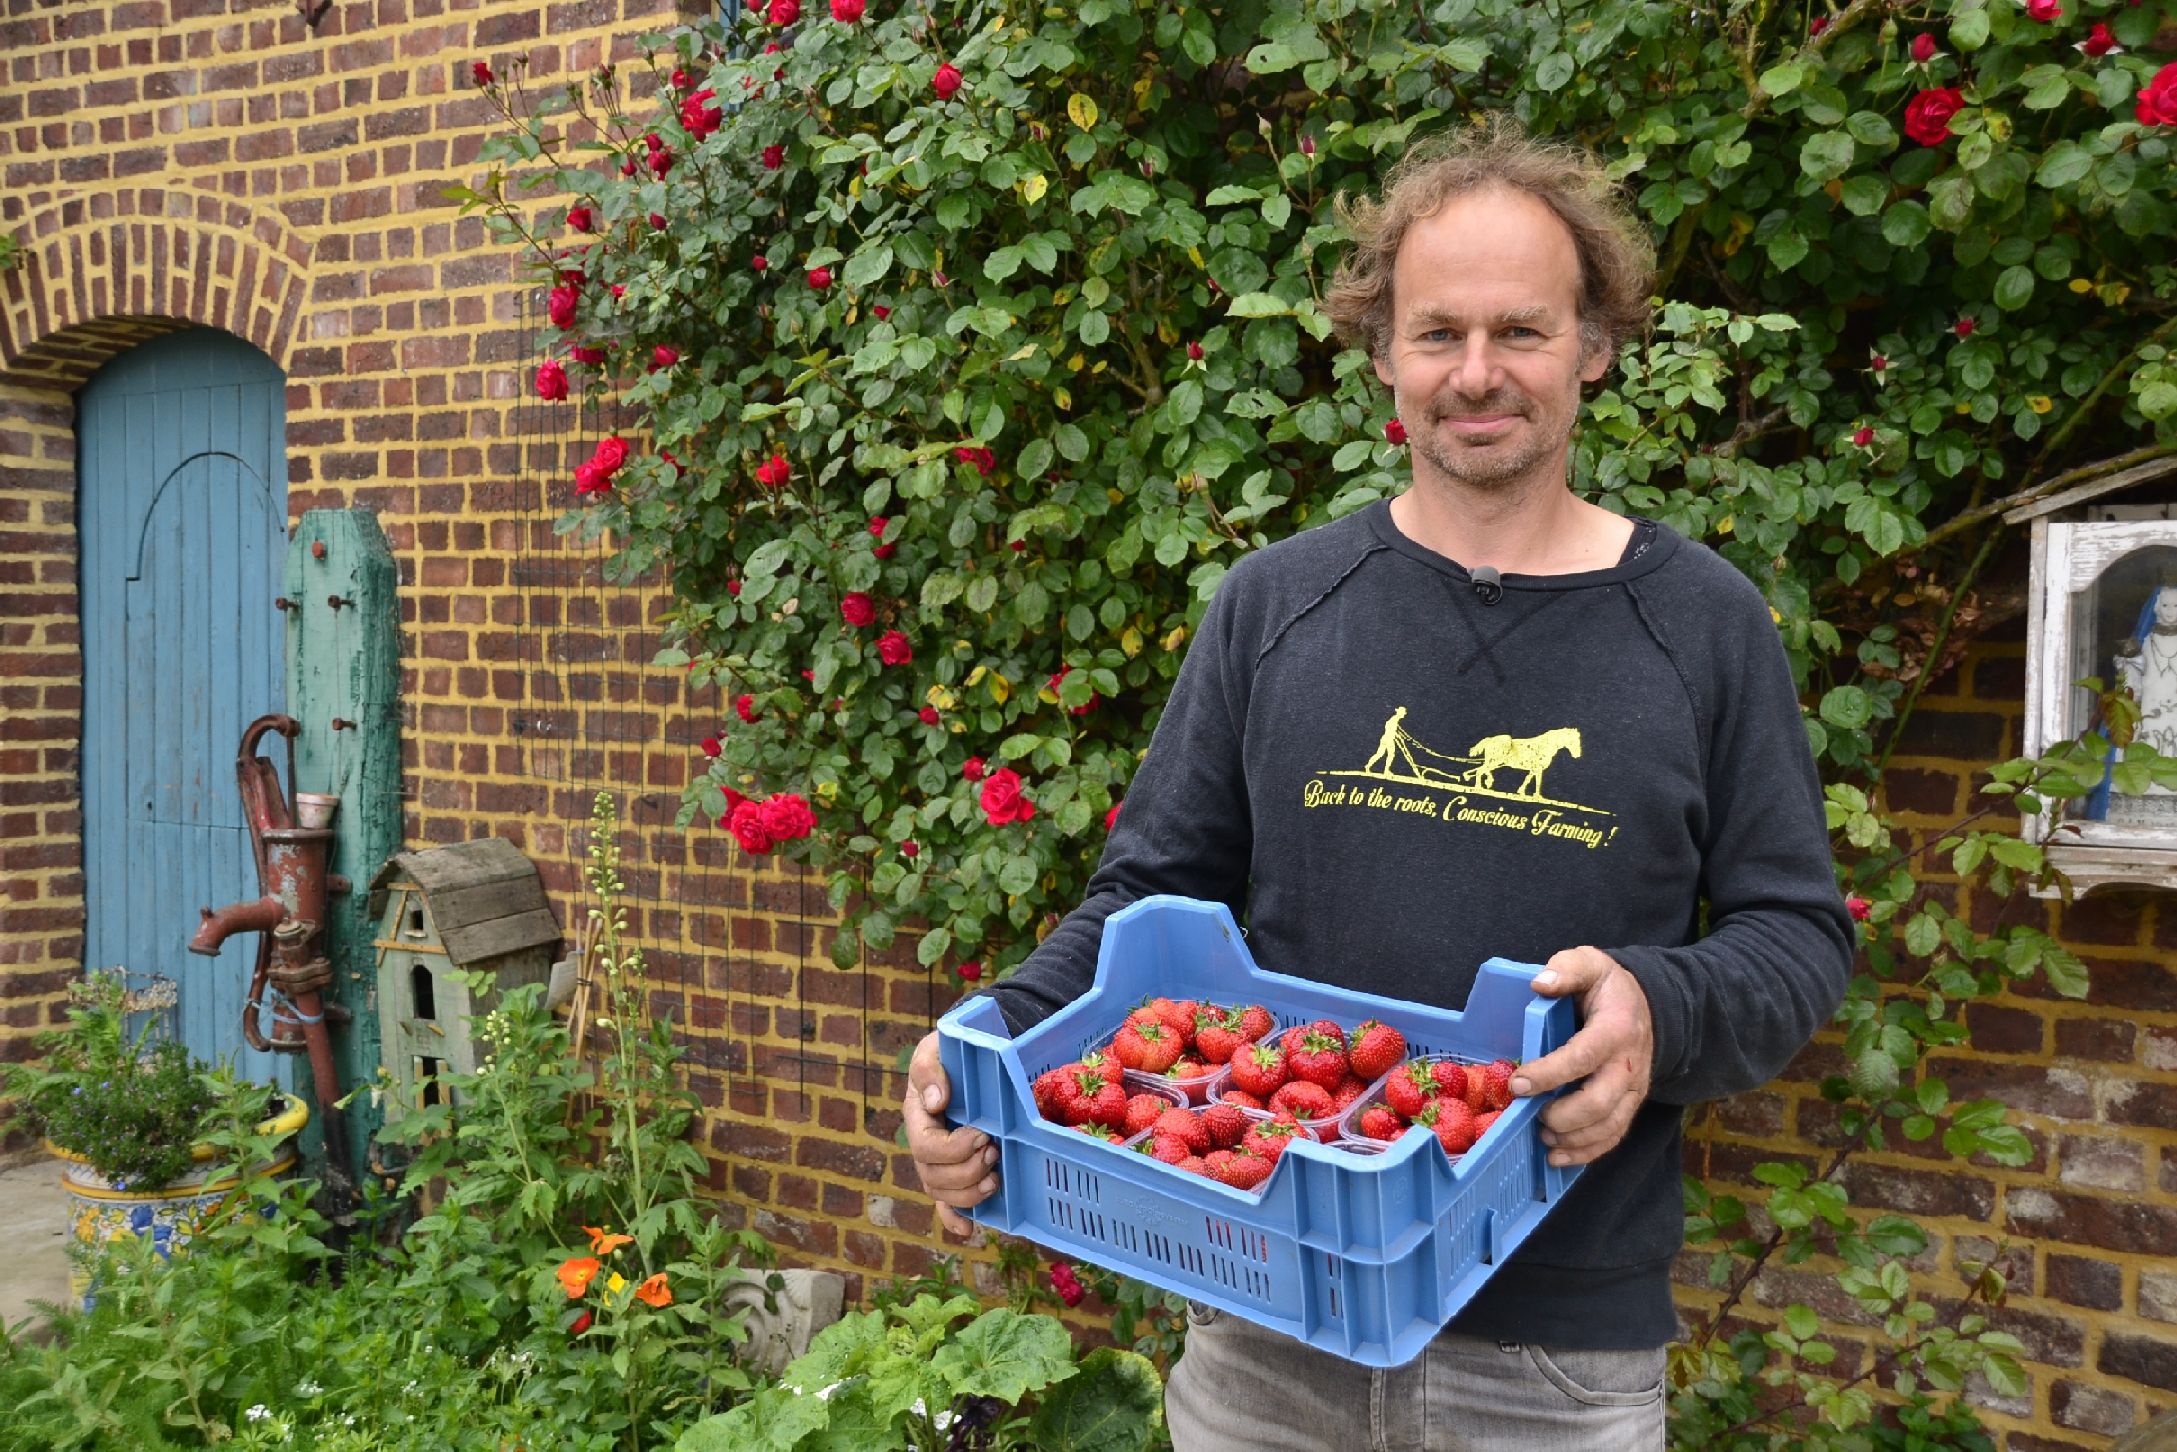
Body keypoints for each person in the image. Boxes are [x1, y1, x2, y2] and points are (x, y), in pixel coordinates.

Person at [902, 116, 1854, 1451]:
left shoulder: (1701, 625)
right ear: (1380, 359)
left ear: (1592, 347)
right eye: (1435, 333)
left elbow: (1795, 938)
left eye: (1520, 332)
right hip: (1261, 1329)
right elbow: (1148, 894)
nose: (1476, 374)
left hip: (1553, 1359)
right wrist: (985, 1040)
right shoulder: (1273, 606)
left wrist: (1658, 1006)